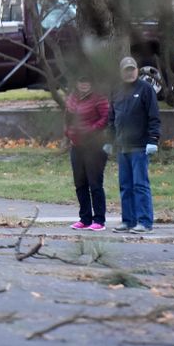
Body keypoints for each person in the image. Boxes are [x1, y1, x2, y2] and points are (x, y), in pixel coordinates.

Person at [104, 56, 161, 233]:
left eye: (132, 69)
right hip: (122, 147)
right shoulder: (117, 90)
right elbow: (112, 118)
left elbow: (154, 117)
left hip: (140, 147)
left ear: (137, 70)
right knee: (125, 186)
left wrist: (153, 140)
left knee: (140, 185)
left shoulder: (145, 89)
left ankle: (144, 222)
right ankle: (128, 220)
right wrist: (110, 140)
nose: (129, 73)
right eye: (126, 70)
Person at [64, 74, 110, 231]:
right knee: (80, 184)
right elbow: (68, 117)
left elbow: (106, 118)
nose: (84, 84)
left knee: (95, 184)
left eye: (87, 81)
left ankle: (99, 220)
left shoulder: (99, 98)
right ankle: (85, 218)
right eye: (81, 80)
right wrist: (68, 132)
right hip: (77, 146)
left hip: (94, 147)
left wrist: (91, 131)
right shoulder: (72, 98)